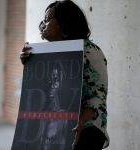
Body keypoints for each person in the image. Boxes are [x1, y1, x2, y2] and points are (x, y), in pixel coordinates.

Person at [20, 0, 109, 149]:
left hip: (85, 129)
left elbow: (97, 98)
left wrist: (80, 121)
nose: (43, 24)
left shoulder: (90, 52)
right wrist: (30, 66)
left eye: (48, 20)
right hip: (54, 126)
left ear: (64, 22)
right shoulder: (47, 53)